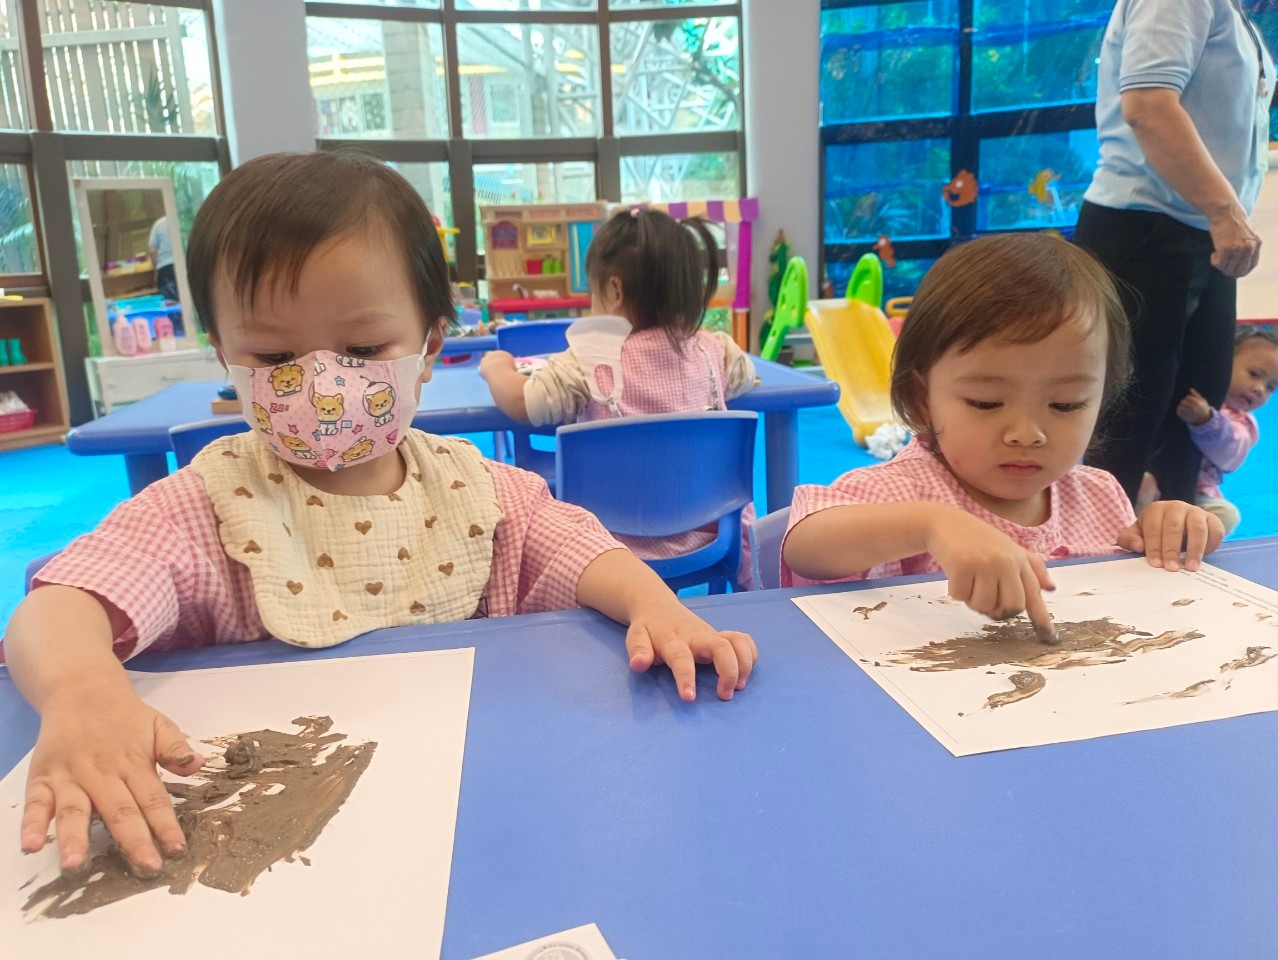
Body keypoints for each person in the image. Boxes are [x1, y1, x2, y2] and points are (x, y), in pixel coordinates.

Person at [3, 152, 757, 882]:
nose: (322, 383)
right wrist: (81, 692)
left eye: (363, 348)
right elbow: (65, 600)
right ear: (224, 356)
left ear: (429, 347)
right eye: (273, 358)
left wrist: (654, 604)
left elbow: (573, 544)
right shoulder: (206, 508)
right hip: (286, 847)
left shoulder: (473, 487)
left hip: (467, 813)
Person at [781, 233, 1224, 623]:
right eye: (986, 403)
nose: (1027, 433)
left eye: (1066, 404)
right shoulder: (899, 492)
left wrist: (1168, 531)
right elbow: (806, 545)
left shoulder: (1098, 495)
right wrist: (931, 524)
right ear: (923, 397)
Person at [479, 208, 757, 580]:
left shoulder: (586, 363)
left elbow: (522, 402)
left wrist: (496, 367)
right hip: (708, 533)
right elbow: (746, 379)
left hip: (605, 551)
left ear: (614, 291)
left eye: (592, 292)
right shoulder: (716, 351)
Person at [1075, 0, 1275, 504]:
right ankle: (1098, 537)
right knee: (1129, 417)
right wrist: (1224, 212)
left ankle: (1173, 534)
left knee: (1198, 406)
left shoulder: (1235, 14)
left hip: (1200, 230)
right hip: (1145, 228)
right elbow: (1148, 105)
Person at [1142, 327, 1278, 533]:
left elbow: (1231, 452)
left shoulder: (1244, 423)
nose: (1259, 389)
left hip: (1195, 494)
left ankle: (1182, 536)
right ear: (1224, 363)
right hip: (1154, 478)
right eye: (1254, 374)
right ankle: (1141, 523)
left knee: (1226, 515)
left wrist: (1207, 421)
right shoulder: (1194, 391)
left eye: (1271, 387)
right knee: (1143, 484)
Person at [148, 215, 178, 302]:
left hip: (165, 268)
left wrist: (155, 270)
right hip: (183, 266)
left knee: (170, 302)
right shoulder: (183, 220)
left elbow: (152, 250)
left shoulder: (159, 224)